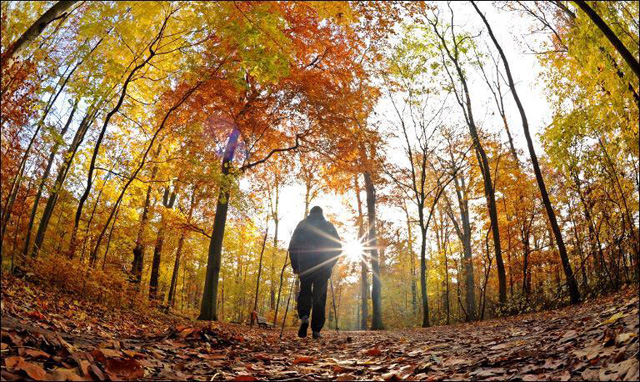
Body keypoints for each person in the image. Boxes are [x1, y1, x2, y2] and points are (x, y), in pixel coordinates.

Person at [288, 206, 342, 339]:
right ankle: (316, 330)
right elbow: (338, 248)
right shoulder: (329, 226)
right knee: (320, 297)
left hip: (305, 266)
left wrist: (295, 265)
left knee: (305, 292)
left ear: (310, 214)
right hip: (323, 268)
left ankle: (304, 317)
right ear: (322, 214)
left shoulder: (302, 225)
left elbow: (292, 247)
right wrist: (330, 264)